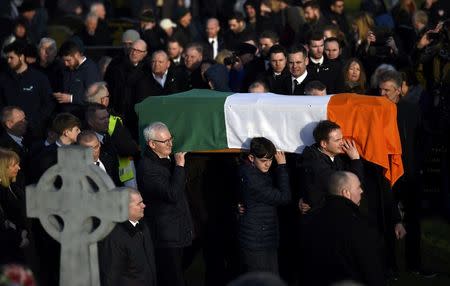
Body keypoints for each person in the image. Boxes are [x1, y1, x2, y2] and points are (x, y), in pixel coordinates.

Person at [300, 171, 386, 286]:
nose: (362, 191)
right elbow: (371, 267)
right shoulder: (359, 224)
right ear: (346, 193)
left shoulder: (309, 219)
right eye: (358, 187)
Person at [136, 122, 193, 286]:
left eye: (170, 139)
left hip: (179, 230)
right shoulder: (147, 168)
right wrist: (180, 166)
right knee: (172, 278)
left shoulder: (168, 160)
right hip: (165, 236)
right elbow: (172, 194)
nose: (170, 144)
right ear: (152, 144)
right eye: (165, 141)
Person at [238, 137, 291, 274]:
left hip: (262, 237)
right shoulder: (252, 178)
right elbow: (284, 198)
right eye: (263, 161)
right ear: (251, 157)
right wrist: (282, 166)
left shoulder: (251, 171)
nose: (268, 164)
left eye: (270, 160)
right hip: (257, 241)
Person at [299, 120, 364, 211]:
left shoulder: (336, 156)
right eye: (337, 140)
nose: (342, 143)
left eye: (342, 138)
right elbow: (348, 184)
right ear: (324, 144)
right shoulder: (315, 163)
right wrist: (355, 159)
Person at [99, 189, 157, 286]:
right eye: (139, 204)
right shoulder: (114, 238)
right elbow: (110, 278)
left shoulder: (143, 226)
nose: (144, 205)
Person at [0, 41, 55, 139]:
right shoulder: (3, 79)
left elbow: (48, 103)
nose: (8, 61)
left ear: (21, 56)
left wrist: (35, 122)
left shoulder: (39, 78)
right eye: (7, 58)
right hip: (10, 133)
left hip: (34, 132)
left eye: (11, 58)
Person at [55, 40, 101, 118]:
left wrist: (71, 98)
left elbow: (93, 97)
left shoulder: (90, 69)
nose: (66, 64)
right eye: (64, 61)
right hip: (66, 115)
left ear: (76, 55)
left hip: (82, 116)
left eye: (68, 60)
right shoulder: (66, 68)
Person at [0, 148, 28, 264]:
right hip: (8, 252)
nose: (19, 168)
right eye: (14, 165)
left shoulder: (13, 185)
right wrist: (19, 237)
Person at [0, 106, 30, 187]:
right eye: (21, 121)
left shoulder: (29, 138)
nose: (26, 122)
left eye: (25, 119)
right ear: (9, 124)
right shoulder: (3, 148)